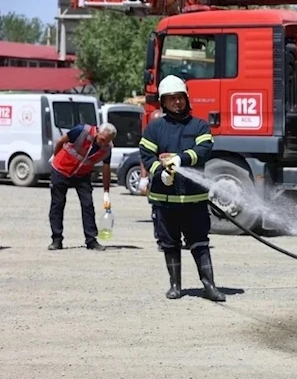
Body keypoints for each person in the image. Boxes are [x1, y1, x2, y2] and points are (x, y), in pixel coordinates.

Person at [138, 75, 225, 301]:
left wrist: (180, 159)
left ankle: (209, 286)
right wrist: (160, 172)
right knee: (169, 244)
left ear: (187, 99)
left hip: (194, 199)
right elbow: (146, 155)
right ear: (163, 102)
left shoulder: (199, 125)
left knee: (200, 242)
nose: (176, 102)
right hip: (164, 200)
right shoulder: (154, 128)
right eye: (171, 99)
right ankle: (175, 286)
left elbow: (205, 148)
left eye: (180, 98)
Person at [48, 122, 117, 251]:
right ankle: (56, 239)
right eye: (102, 140)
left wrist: (106, 192)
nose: (103, 144)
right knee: (57, 205)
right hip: (61, 170)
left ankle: (91, 240)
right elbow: (60, 141)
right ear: (97, 131)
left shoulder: (107, 148)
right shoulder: (81, 131)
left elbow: (106, 169)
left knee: (88, 205)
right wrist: (55, 157)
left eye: (106, 142)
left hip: (82, 175)